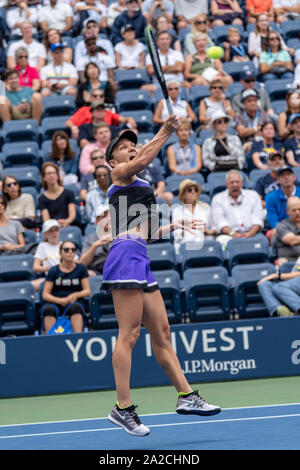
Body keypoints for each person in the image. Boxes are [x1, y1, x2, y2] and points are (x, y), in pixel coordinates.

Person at [103, 118, 221, 437]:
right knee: (129, 334)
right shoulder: (118, 174)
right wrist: (165, 132)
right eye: (123, 147)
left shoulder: (140, 184)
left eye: (132, 144)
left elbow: (146, 231)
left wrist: (174, 225)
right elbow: (143, 158)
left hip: (139, 255)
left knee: (163, 332)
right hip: (125, 256)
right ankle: (122, 408)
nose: (130, 148)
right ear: (112, 162)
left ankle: (187, 397)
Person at [42, 240, 90, 334]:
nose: (70, 252)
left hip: (75, 301)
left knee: (75, 307)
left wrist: (75, 295)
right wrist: (61, 300)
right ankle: (49, 341)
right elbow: (45, 295)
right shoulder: (53, 270)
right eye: (66, 250)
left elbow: (87, 291)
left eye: (73, 250)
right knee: (48, 309)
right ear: (60, 253)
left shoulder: (81, 268)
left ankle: (78, 338)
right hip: (56, 301)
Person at [211, 169, 265, 247]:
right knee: (221, 241)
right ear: (226, 184)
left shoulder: (253, 195)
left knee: (263, 241)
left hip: (253, 233)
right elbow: (219, 222)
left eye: (237, 182)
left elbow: (258, 218)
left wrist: (251, 233)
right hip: (229, 235)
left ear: (242, 183)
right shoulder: (218, 199)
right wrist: (233, 234)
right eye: (232, 182)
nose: (235, 185)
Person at [172, 179, 216, 250]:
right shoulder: (177, 211)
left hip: (205, 242)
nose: (193, 192)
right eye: (189, 190)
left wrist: (208, 232)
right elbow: (176, 234)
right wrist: (187, 229)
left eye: (195, 189)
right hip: (185, 244)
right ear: (183, 195)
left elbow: (214, 228)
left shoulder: (206, 207)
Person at [39, 162, 77, 228]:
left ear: (57, 176)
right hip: (52, 228)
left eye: (53, 173)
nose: (51, 175)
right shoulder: (42, 198)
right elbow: (46, 219)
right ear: (44, 178)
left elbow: (72, 214)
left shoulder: (69, 193)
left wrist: (67, 221)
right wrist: (55, 224)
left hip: (68, 225)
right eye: (48, 173)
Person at [265, 166, 300, 235]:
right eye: (282, 175)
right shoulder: (271, 197)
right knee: (273, 233)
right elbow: (273, 222)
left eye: (288, 174)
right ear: (278, 180)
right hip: (281, 230)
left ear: (294, 177)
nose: (286, 177)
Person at [79, 205, 112, 276]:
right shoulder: (90, 238)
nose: (109, 219)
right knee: (87, 274)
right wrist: (95, 245)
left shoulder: (122, 236)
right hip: (96, 271)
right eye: (104, 217)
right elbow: (82, 263)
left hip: (118, 270)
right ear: (97, 221)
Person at [31, 219, 64, 291]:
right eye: (50, 231)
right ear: (45, 234)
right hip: (50, 278)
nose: (54, 233)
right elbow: (35, 267)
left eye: (56, 230)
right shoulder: (42, 246)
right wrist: (50, 268)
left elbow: (76, 262)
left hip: (67, 276)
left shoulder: (65, 245)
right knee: (30, 286)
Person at [275, 196, 300, 265]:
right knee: (282, 262)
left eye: (299, 209)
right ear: (287, 211)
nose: (297, 213)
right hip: (289, 260)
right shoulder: (281, 225)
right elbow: (292, 240)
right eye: (294, 210)